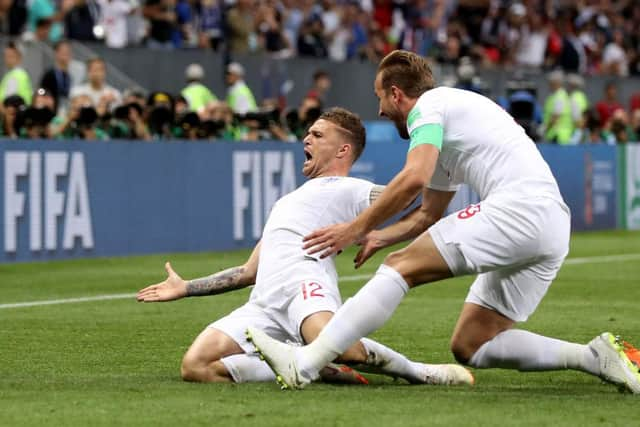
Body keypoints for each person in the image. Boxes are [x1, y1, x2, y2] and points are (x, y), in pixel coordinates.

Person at [246, 50, 640, 393]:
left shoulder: (428, 108)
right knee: (473, 343)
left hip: (519, 209)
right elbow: (428, 214)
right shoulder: (447, 129)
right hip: (551, 225)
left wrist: (355, 227)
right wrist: (382, 236)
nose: (380, 109)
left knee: (400, 269)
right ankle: (593, 357)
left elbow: (413, 177)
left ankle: (307, 363)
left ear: (397, 94)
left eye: (380, 97)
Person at [137, 107, 473, 386]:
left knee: (347, 351)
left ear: (343, 150)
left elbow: (408, 191)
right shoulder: (287, 202)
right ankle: (311, 364)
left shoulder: (347, 188)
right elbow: (247, 271)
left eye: (317, 134)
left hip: (304, 288)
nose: (306, 138)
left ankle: (419, 372)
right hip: (264, 303)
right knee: (195, 367)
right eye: (308, 133)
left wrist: (442, 166)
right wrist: (186, 288)